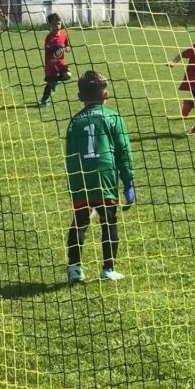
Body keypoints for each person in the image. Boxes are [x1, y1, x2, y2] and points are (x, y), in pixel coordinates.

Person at [64, 70, 134, 283]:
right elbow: (124, 152)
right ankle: (108, 268)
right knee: (109, 221)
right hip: (104, 178)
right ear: (105, 94)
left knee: (80, 221)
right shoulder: (113, 117)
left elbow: (71, 155)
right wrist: (128, 182)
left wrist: (75, 183)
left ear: (79, 96)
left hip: (81, 179)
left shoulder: (74, 122)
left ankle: (74, 269)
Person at [40, 13, 72, 106]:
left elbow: (67, 45)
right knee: (50, 85)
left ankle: (56, 81)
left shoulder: (63, 35)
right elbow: (50, 48)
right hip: (51, 65)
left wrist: (67, 48)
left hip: (61, 63)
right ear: (50, 25)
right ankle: (44, 99)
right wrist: (58, 48)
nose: (57, 26)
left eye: (59, 23)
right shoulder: (49, 37)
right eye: (54, 24)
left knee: (68, 75)